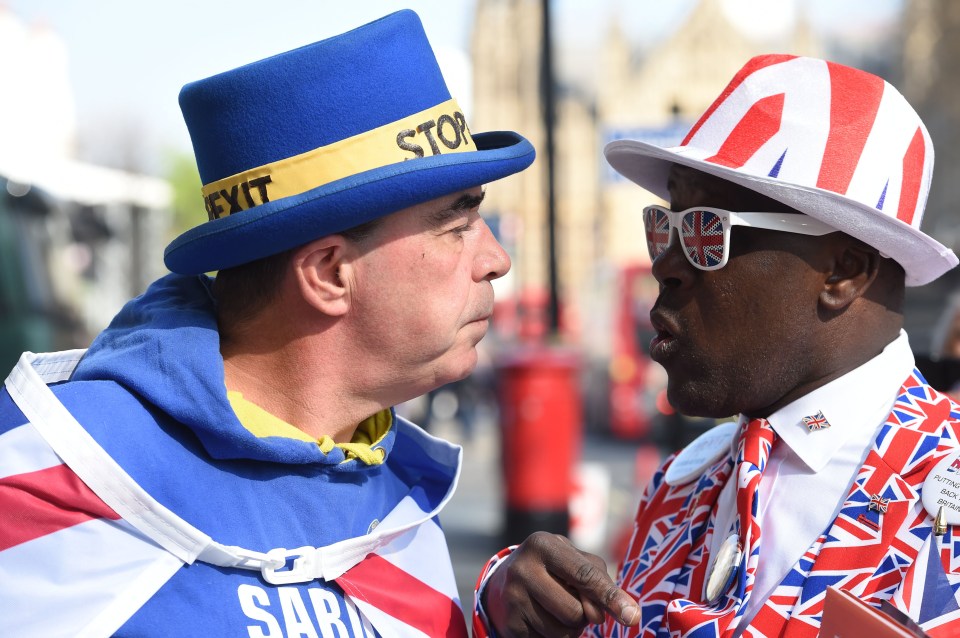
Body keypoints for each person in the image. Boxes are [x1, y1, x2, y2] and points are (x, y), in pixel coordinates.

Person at [0, 10, 535, 637]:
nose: (496, 260)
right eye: (457, 225)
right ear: (330, 273)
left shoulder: (403, 501)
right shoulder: (43, 468)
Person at [473, 54, 960, 637]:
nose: (665, 264)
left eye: (707, 229)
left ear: (844, 273)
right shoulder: (681, 483)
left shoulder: (942, 493)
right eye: (665, 226)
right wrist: (509, 607)